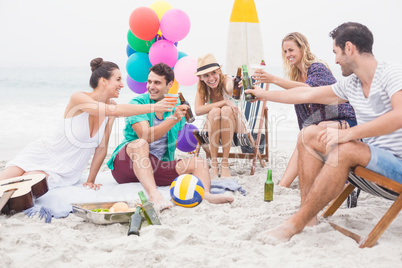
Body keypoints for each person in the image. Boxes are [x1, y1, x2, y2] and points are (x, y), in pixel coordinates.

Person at [246, 22, 402, 244]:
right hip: (371, 158)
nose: (335, 60)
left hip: (397, 166)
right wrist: (264, 95)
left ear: (349, 48)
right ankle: (309, 218)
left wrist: (349, 134)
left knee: (345, 148)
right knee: (308, 134)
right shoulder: (352, 84)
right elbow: (306, 95)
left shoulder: (392, 73)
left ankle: (295, 223)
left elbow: (399, 116)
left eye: (336, 53)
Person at [0, 58, 172, 190]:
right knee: (5, 181)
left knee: (24, 186)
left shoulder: (111, 106)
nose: (122, 84)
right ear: (103, 81)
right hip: (42, 153)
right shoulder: (78, 98)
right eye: (118, 79)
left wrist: (91, 180)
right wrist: (153, 107)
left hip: (68, 170)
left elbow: (101, 148)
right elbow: (113, 111)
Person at [107, 63, 234, 210]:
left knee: (199, 162)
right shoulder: (138, 103)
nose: (151, 86)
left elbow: (171, 143)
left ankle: (205, 194)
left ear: (169, 85)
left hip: (154, 166)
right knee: (141, 144)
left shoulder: (175, 106)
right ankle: (154, 195)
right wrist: (172, 119)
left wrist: (173, 165)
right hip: (126, 164)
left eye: (157, 83)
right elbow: (145, 136)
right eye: (149, 82)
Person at [252, 32, 356, 187]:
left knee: (317, 129)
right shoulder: (297, 75)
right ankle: (282, 187)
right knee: (306, 135)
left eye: (291, 50)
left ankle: (284, 185)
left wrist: (273, 80)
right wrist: (260, 93)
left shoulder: (318, 68)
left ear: (303, 48)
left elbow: (308, 91)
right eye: (285, 51)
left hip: (348, 121)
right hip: (323, 128)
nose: (288, 55)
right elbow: (294, 95)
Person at [194, 53, 247, 178]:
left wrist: (234, 84)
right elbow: (197, 110)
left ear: (219, 72)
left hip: (235, 125)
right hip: (213, 125)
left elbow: (229, 87)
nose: (211, 78)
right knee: (214, 111)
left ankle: (224, 163)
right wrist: (223, 102)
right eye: (206, 75)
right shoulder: (202, 88)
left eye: (213, 73)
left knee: (226, 111)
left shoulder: (226, 80)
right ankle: (214, 162)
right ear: (201, 77)